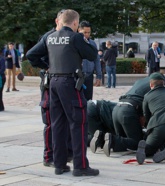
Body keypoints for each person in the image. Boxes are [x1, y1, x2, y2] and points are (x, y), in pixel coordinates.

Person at [26, 9, 99, 176]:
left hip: (53, 82)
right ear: (75, 23)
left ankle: (59, 164)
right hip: (70, 83)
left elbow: (31, 55)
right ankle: (80, 166)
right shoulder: (76, 37)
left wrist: (47, 65)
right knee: (78, 123)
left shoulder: (49, 36)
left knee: (58, 124)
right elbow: (92, 54)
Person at [98, 77, 151, 156]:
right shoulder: (154, 87)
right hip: (128, 111)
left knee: (123, 142)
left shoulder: (140, 82)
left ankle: (101, 138)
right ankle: (112, 139)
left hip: (117, 108)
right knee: (137, 143)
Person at [78, 21, 102, 100]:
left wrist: (99, 76)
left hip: (89, 76)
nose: (87, 35)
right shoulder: (75, 43)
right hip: (78, 76)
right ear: (79, 30)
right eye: (85, 32)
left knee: (88, 100)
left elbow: (97, 60)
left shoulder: (92, 44)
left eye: (89, 32)